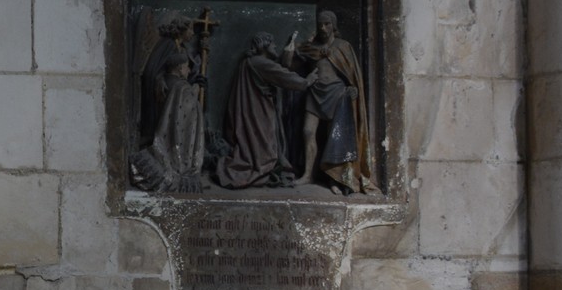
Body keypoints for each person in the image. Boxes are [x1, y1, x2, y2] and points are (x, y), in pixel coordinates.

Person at [294, 10, 379, 194]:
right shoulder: (312, 47)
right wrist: (291, 48)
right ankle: (308, 174)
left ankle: (335, 179)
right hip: (315, 92)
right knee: (308, 131)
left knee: (336, 137)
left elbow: (352, 73)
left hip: (336, 93)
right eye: (320, 24)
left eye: (327, 24)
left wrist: (352, 88)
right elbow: (291, 61)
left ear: (334, 25)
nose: (323, 27)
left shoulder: (343, 46)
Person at [216, 32, 312, 188]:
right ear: (264, 45)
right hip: (259, 112)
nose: (275, 46)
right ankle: (262, 167)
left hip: (251, 112)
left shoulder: (248, 62)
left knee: (256, 144)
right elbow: (283, 76)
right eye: (272, 44)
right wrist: (306, 82)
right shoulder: (261, 62)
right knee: (264, 147)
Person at [131, 14, 208, 193]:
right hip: (165, 94)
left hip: (180, 92)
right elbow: (152, 70)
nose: (192, 34)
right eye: (190, 30)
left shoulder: (182, 47)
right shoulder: (167, 44)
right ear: (182, 29)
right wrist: (160, 80)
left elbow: (187, 69)